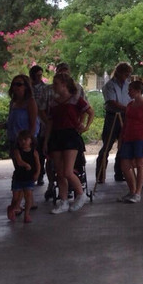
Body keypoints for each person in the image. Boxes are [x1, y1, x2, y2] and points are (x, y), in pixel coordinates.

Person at [47, 71, 94, 214]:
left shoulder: (76, 99)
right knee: (60, 172)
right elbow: (50, 121)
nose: (53, 87)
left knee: (68, 171)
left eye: (56, 84)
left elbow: (90, 111)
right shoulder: (53, 102)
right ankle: (63, 201)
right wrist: (46, 141)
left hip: (71, 135)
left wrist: (85, 126)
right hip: (56, 135)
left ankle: (81, 194)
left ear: (64, 85)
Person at [117, 80, 143, 204]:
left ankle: (138, 192)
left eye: (130, 90)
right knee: (125, 165)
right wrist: (121, 138)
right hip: (128, 137)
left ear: (138, 91)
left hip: (141, 137)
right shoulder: (129, 105)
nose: (128, 92)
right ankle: (132, 190)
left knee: (140, 164)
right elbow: (125, 122)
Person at [97, 62, 132, 184]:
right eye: (125, 74)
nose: (127, 76)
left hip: (124, 116)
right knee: (107, 146)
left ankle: (119, 173)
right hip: (112, 117)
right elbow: (111, 102)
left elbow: (131, 99)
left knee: (122, 146)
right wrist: (127, 108)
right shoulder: (109, 85)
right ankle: (100, 175)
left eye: (128, 74)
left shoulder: (128, 85)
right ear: (119, 73)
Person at [7, 130, 40, 223]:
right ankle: (12, 208)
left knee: (28, 196)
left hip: (29, 177)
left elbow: (38, 164)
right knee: (16, 197)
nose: (23, 142)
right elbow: (19, 161)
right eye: (21, 140)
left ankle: (27, 214)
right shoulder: (17, 151)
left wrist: (37, 173)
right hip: (18, 177)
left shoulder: (34, 152)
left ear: (31, 141)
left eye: (26, 139)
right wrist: (26, 165)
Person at [29, 65, 53, 187]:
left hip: (43, 124)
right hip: (32, 122)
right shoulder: (28, 89)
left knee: (42, 150)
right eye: (37, 75)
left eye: (40, 75)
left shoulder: (45, 88)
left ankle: (41, 174)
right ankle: (35, 173)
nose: (39, 77)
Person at [4, 75, 39, 158]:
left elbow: (33, 124)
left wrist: (29, 141)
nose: (15, 87)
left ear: (26, 86)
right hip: (14, 139)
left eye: (19, 84)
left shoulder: (30, 101)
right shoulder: (13, 102)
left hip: (26, 141)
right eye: (14, 84)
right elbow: (11, 121)